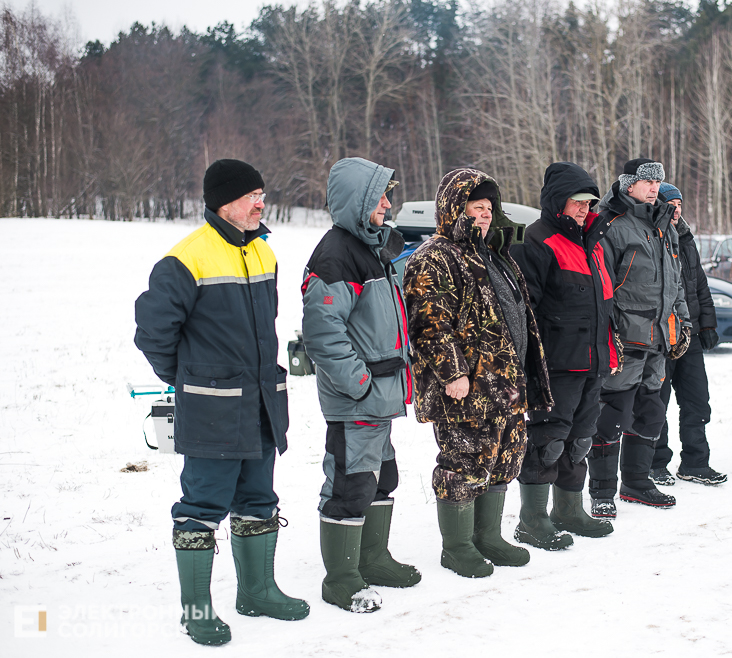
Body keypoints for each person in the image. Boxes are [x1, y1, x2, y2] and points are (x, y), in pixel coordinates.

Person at [134, 159, 308, 646]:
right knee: (201, 507)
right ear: (223, 201)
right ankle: (196, 611)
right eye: (252, 195)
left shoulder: (263, 252)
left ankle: (258, 591)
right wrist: (186, 379)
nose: (261, 203)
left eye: (262, 194)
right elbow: (152, 333)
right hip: (212, 411)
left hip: (261, 406)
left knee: (258, 500)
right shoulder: (186, 258)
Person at [403, 168, 553, 578]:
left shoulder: (496, 255)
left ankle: (488, 537)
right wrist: (453, 373)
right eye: (476, 207)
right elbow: (429, 323)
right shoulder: (434, 256)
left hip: (506, 384)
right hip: (465, 387)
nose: (485, 215)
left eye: (489, 208)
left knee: (504, 458)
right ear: (455, 207)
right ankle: (457, 546)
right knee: (463, 461)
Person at [301, 157, 420, 614]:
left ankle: (373, 559)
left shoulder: (372, 248)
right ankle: (341, 579)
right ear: (359, 202)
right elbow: (322, 334)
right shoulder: (336, 254)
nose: (388, 204)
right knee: (350, 485)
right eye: (380, 197)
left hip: (382, 396)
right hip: (359, 400)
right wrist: (360, 386)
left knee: (381, 478)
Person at [510, 162, 620, 550]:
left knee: (580, 440)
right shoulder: (537, 240)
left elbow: (606, 304)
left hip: (594, 361)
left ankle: (569, 510)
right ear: (559, 202)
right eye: (577, 202)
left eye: (590, 202)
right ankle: (532, 519)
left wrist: (611, 346)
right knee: (548, 440)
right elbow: (527, 310)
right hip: (556, 364)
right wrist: (529, 365)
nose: (585, 209)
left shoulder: (595, 243)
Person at [587, 159, 690, 518]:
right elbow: (601, 287)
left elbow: (676, 283)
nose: (654, 187)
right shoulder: (612, 224)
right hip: (626, 338)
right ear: (629, 185)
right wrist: (609, 333)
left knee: (650, 411)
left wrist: (683, 324)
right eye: (647, 181)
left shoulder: (664, 225)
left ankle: (637, 481)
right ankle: (602, 490)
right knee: (612, 413)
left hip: (660, 337)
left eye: (658, 181)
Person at [650, 182, 727, 486]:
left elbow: (700, 287)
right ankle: (655, 463)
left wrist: (707, 325)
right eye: (671, 203)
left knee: (697, 400)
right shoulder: (651, 236)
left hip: (689, 334)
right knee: (657, 401)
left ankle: (696, 462)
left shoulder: (686, 238)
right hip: (660, 335)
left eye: (680, 204)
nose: (677, 209)